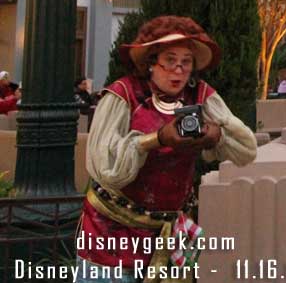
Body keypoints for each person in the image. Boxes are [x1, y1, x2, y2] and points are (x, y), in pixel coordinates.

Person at [77, 15, 257, 281]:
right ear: (151, 63)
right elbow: (105, 165)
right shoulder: (123, 94)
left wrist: (216, 135)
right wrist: (156, 139)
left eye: (186, 62)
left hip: (168, 234)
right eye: (170, 60)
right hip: (110, 233)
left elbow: (245, 150)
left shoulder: (201, 95)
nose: (179, 70)